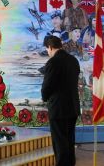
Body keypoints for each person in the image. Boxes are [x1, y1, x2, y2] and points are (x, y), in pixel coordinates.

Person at [41, 36, 80, 166]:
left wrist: (44, 97)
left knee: (60, 143)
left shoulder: (52, 62)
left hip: (58, 109)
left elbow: (47, 87)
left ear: (50, 47)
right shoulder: (74, 60)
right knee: (69, 141)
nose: (47, 52)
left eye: (47, 49)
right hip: (73, 107)